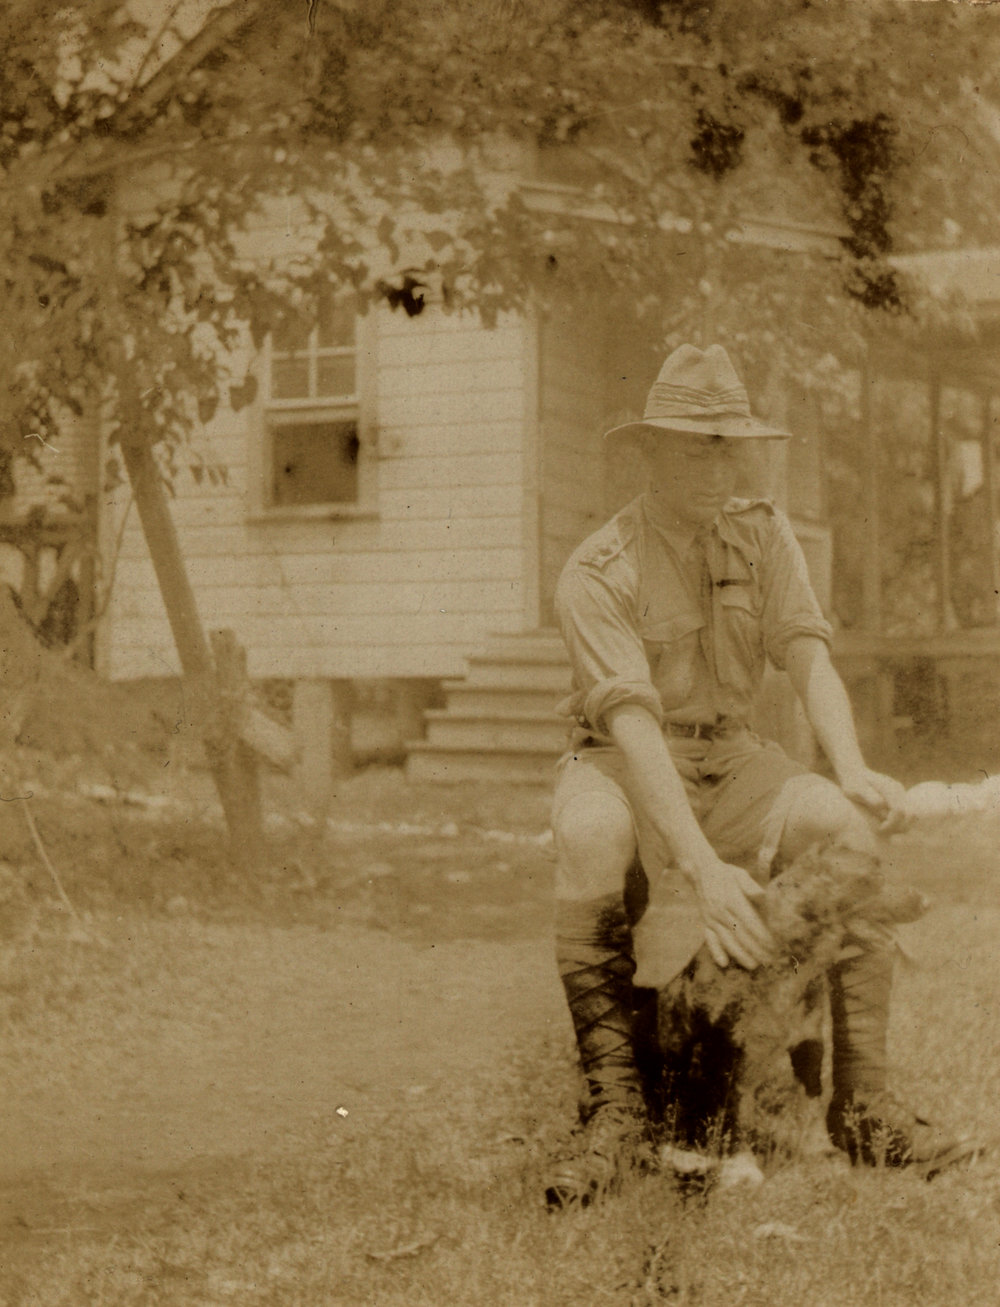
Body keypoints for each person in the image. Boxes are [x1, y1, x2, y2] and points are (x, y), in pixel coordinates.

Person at [546, 343, 979, 1206]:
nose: (717, 464)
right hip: (626, 756)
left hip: (736, 751)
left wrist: (852, 766)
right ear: (650, 451)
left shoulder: (762, 529)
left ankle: (863, 1103)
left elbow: (808, 657)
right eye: (694, 445)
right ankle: (616, 1110)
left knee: (842, 830)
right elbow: (630, 724)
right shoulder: (598, 569)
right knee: (590, 835)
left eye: (729, 444)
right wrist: (704, 868)